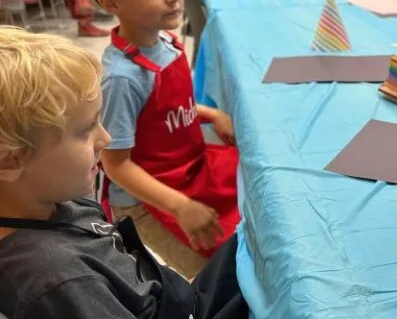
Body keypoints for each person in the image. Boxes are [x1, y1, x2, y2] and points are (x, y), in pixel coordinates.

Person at [0, 26, 247, 319]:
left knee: (258, 235)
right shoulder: (60, 281)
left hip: (174, 297)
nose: (105, 139)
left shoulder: (58, 196)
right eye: (85, 131)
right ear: (11, 161)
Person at [78, 0, 241, 279]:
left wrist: (211, 114)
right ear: (110, 3)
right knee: (216, 276)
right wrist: (182, 207)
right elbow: (116, 165)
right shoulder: (122, 78)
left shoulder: (165, 41)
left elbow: (164, 109)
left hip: (188, 172)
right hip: (145, 202)